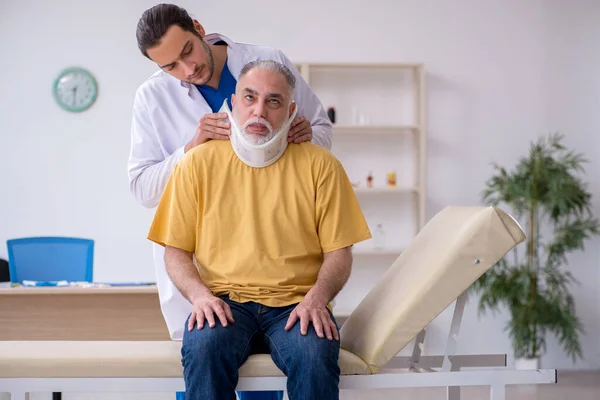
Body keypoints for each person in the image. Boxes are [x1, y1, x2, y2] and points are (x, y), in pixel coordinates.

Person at [128, 4, 333, 399]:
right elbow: (142, 188)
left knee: (273, 382)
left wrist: (307, 135)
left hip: (278, 273)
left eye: (187, 51)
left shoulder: (268, 62)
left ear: (200, 29)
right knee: (205, 363)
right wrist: (190, 148)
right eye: (169, 66)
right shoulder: (153, 96)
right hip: (208, 281)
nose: (186, 70)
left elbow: (321, 130)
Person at [146, 59, 372, 399]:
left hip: (297, 305)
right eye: (250, 98)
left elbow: (339, 252)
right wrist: (200, 297)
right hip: (225, 302)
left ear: (292, 110)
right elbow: (175, 250)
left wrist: (317, 299)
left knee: (314, 354)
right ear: (234, 102)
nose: (259, 111)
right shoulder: (197, 162)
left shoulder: (321, 165)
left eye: (274, 101)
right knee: (205, 349)